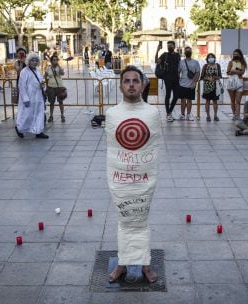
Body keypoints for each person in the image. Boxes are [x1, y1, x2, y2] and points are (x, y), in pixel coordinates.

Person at [105, 65, 161, 283]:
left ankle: (145, 264)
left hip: (144, 178)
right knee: (125, 220)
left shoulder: (152, 113)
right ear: (120, 86)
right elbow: (113, 148)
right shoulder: (112, 114)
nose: (131, 85)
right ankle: (122, 264)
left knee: (141, 219)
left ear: (142, 84)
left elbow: (152, 148)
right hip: (119, 178)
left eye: (135, 81)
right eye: (126, 81)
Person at [15, 52, 48, 139]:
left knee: (39, 114)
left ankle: (38, 131)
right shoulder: (24, 72)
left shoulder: (38, 70)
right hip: (29, 98)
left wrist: (43, 86)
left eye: (36, 60)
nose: (34, 62)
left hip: (38, 96)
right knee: (27, 115)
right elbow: (21, 86)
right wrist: (25, 99)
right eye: (32, 60)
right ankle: (19, 128)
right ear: (29, 61)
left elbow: (42, 81)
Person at [155, 40, 181, 122]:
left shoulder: (177, 55)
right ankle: (168, 113)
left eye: (171, 45)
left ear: (174, 46)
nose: (169, 47)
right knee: (168, 95)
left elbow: (179, 66)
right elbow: (156, 61)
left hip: (176, 78)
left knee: (176, 96)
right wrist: (157, 50)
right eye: (168, 45)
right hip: (167, 78)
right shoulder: (164, 55)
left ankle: (169, 111)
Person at [177, 46, 200, 121]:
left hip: (191, 84)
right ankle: (182, 114)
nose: (188, 52)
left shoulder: (195, 62)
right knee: (183, 100)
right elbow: (178, 71)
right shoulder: (181, 62)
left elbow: (198, 72)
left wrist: (195, 82)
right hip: (182, 84)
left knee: (189, 100)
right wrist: (178, 80)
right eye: (186, 51)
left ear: (191, 52)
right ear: (184, 53)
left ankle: (189, 115)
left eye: (189, 51)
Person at [201, 53, 222, 122]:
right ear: (207, 59)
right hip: (207, 86)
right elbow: (202, 77)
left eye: (212, 57)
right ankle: (208, 116)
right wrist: (208, 78)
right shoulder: (205, 66)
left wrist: (216, 78)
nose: (210, 58)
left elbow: (220, 76)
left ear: (214, 58)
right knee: (207, 101)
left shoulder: (217, 65)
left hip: (215, 85)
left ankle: (215, 115)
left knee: (215, 101)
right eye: (209, 57)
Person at [45, 55, 66, 123]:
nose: (55, 61)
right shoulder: (48, 69)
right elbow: (45, 77)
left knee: (60, 102)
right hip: (51, 87)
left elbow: (62, 73)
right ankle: (51, 116)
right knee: (52, 103)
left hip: (59, 87)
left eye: (56, 60)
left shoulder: (59, 68)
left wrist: (59, 65)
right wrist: (46, 87)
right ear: (51, 61)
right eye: (53, 60)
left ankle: (62, 115)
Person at [227, 49, 247, 120]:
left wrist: (233, 70)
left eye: (237, 54)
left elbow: (242, 72)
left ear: (240, 55)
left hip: (240, 82)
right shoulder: (230, 62)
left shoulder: (243, 63)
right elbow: (228, 72)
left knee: (238, 101)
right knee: (232, 100)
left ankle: (238, 116)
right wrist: (236, 71)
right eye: (234, 54)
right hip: (231, 82)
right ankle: (234, 115)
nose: (235, 55)